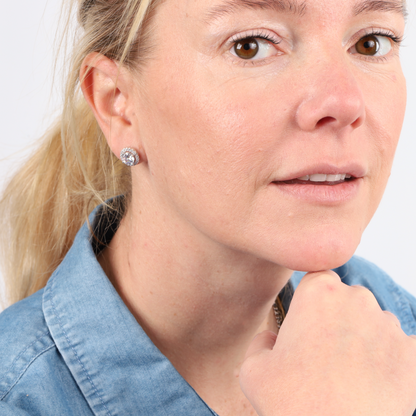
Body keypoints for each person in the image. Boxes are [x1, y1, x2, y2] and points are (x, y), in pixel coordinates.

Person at [1, 0, 416, 414]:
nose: (344, 103)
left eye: (371, 42)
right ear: (117, 103)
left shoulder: (397, 324)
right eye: (250, 46)